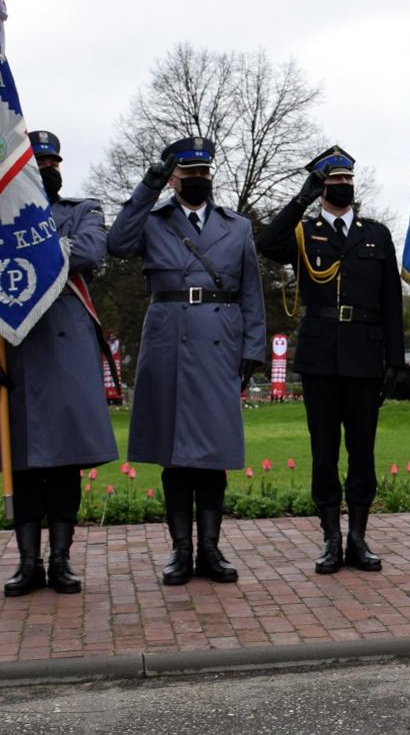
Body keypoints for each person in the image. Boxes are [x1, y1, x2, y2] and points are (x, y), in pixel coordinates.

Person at [112, 136, 267, 585]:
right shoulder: (152, 220)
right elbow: (117, 244)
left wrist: (253, 347)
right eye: (189, 173)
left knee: (213, 452)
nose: (198, 179)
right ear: (173, 178)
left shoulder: (236, 226)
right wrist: (147, 186)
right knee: (175, 454)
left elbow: (251, 291)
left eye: (204, 172)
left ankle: (211, 550)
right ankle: (181, 550)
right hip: (168, 341)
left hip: (220, 341)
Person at [0, 131, 119, 596]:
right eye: (39, 163)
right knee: (24, 464)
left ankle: (61, 559)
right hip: (14, 349)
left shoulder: (83, 209)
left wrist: (24, 248)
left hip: (66, 349)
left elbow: (91, 251)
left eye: (54, 162)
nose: (49, 170)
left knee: (64, 463)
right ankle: (27, 562)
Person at [256, 145, 403, 574]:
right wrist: (300, 200)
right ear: (322, 186)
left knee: (362, 450)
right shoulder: (305, 232)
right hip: (320, 356)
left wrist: (395, 358)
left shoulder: (376, 234)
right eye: (335, 181)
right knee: (324, 451)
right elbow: (267, 243)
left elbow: (392, 300)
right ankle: (330, 538)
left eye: (348, 180)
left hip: (365, 353)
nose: (344, 186)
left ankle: (358, 537)